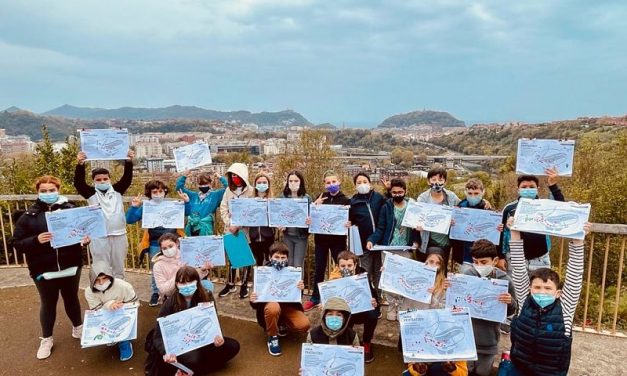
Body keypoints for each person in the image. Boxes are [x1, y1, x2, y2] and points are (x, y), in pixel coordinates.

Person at [12, 175, 89, 359]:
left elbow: (83, 232)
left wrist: (85, 240)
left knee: (72, 298)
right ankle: (46, 339)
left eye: (52, 190)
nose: (48, 193)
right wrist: (35, 240)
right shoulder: (28, 216)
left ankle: (78, 328)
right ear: (37, 192)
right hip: (43, 269)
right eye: (44, 191)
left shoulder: (71, 210)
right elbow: (16, 242)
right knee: (48, 303)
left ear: (58, 190)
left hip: (70, 265)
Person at [505, 218, 588, 376]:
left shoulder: (565, 308)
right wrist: (514, 232)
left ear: (558, 293)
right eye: (537, 287)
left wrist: (577, 239)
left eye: (548, 288)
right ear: (529, 289)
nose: (542, 291)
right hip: (518, 367)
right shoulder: (525, 301)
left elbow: (575, 275)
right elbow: (518, 268)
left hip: (550, 373)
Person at [147, 266, 240, 375]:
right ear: (177, 284)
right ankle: (193, 368)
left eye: (190, 281)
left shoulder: (207, 295)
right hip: (182, 344)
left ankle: (189, 370)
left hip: (202, 339)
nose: (187, 286)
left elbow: (213, 321)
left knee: (233, 346)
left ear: (197, 281)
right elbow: (158, 334)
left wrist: (217, 338)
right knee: (193, 358)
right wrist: (166, 351)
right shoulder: (170, 303)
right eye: (182, 283)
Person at [457, 239, 516, 376]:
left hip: (489, 339)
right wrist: (452, 288)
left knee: (483, 372)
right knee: (465, 371)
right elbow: (456, 304)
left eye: (483, 262)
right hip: (467, 338)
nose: (479, 266)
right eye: (475, 262)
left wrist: (509, 302)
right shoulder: (467, 276)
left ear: (495, 261)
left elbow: (512, 310)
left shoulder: (505, 280)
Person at [74, 150, 134, 279]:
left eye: (105, 179)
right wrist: (80, 164)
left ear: (110, 179)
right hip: (99, 236)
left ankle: (119, 292)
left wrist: (128, 162)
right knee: (101, 266)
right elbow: (79, 183)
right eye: (98, 180)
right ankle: (102, 292)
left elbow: (127, 178)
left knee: (118, 266)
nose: (102, 181)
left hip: (119, 234)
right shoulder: (90, 193)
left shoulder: (118, 190)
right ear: (94, 181)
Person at [366, 178, 420, 320]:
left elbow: (416, 227)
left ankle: (402, 307)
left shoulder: (412, 206)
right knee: (389, 279)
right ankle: (391, 306)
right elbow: (381, 228)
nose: (397, 194)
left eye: (400, 192)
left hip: (405, 248)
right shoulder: (386, 207)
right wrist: (372, 240)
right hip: (388, 247)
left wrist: (416, 239)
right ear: (391, 192)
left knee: (404, 278)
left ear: (405, 191)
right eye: (394, 192)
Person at [126, 180, 186, 306]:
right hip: (155, 243)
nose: (158, 194)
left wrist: (187, 202)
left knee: (178, 265)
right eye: (155, 192)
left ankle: (179, 289)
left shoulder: (173, 205)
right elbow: (130, 220)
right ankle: (156, 292)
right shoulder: (146, 207)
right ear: (150, 193)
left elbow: (188, 212)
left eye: (161, 191)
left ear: (165, 192)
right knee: (156, 269)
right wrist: (134, 207)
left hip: (173, 241)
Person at [249, 242, 310, 356]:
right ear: (269, 257)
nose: (280, 260)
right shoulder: (262, 272)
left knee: (304, 325)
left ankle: (281, 324)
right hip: (270, 307)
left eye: (283, 257)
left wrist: (300, 289)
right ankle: (272, 336)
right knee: (273, 307)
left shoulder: (292, 272)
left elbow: (296, 299)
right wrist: (252, 299)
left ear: (287, 258)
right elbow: (256, 303)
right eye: (276, 257)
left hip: (287, 306)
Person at [303, 170, 351, 311]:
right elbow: (309, 218)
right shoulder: (320, 198)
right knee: (319, 269)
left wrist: (349, 222)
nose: (331, 185)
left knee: (342, 268)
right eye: (328, 183)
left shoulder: (346, 200)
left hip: (338, 240)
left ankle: (342, 296)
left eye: (334, 182)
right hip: (321, 239)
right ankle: (315, 297)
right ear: (324, 184)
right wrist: (314, 205)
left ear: (339, 182)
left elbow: (351, 220)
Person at [499, 168, 564, 271]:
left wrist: (553, 185)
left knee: (539, 286)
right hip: (515, 258)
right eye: (524, 187)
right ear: (518, 189)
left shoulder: (544, 206)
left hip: (541, 259)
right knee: (516, 287)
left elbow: (560, 206)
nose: (528, 189)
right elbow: (501, 233)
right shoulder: (509, 208)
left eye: (531, 187)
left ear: (537, 188)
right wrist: (501, 257)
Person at [329, 251, 379, 362]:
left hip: (360, 310)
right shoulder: (334, 277)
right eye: (343, 266)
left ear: (355, 265)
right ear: (338, 266)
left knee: (373, 314)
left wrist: (374, 302)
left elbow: (372, 294)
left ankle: (366, 342)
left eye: (349, 265)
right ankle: (346, 340)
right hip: (345, 312)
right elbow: (329, 299)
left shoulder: (363, 274)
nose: (346, 268)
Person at [85, 260, 138, 361]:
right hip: (105, 314)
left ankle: (125, 342)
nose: (101, 283)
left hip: (124, 314)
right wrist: (109, 305)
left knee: (124, 323)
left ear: (110, 276)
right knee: (98, 321)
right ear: (92, 280)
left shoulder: (124, 286)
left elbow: (135, 304)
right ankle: (111, 336)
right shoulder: (89, 291)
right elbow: (96, 311)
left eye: (104, 278)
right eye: (97, 280)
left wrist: (123, 307)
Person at [219, 162, 255, 299]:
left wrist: (238, 224)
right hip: (230, 230)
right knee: (232, 258)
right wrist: (229, 223)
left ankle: (245, 284)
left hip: (245, 231)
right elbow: (223, 208)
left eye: (237, 175)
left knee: (245, 258)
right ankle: (230, 283)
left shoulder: (251, 191)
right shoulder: (228, 190)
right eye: (232, 175)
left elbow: (251, 211)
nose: (235, 177)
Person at [450, 178, 502, 266]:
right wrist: (451, 224)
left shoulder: (490, 212)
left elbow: (495, 236)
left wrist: (499, 229)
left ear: (483, 192)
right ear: (465, 192)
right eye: (470, 193)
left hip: (483, 258)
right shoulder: (459, 209)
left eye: (476, 193)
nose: (473, 196)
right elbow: (453, 235)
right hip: (464, 256)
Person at [416, 166, 460, 265]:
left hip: (446, 242)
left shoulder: (451, 197)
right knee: (426, 268)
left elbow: (463, 209)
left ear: (445, 182)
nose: (437, 182)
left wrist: (484, 202)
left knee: (441, 270)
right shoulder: (423, 198)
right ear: (428, 181)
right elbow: (417, 217)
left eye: (440, 180)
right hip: (428, 241)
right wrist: (418, 224)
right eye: (434, 179)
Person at [349, 171, 385, 288]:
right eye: (359, 182)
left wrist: (389, 190)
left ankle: (378, 300)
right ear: (355, 186)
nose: (362, 184)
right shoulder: (353, 202)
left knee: (379, 273)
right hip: (364, 245)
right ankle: (367, 300)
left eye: (365, 181)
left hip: (380, 243)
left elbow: (390, 207)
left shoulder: (378, 197)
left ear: (370, 183)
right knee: (365, 273)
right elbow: (350, 220)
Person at [152, 233, 211, 298]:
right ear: (161, 249)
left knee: (207, 285)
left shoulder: (187, 256)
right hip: (174, 295)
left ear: (177, 243)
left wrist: (202, 270)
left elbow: (195, 277)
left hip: (192, 289)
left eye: (170, 246)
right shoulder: (158, 265)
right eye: (164, 248)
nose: (168, 250)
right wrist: (179, 273)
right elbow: (163, 290)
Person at [175, 172, 228, 236]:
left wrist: (220, 177)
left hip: (206, 228)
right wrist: (184, 176)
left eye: (205, 183)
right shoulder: (193, 195)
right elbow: (179, 188)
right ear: (198, 185)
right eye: (201, 184)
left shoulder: (215, 195)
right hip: (191, 227)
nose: (203, 186)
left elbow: (228, 188)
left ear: (210, 184)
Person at [278, 170, 311, 267]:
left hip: (301, 236)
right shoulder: (282, 197)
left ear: (301, 182)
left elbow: (312, 215)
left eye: (296, 181)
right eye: (290, 181)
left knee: (298, 265)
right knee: (288, 263)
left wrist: (309, 221)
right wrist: (279, 224)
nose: (293, 183)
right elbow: (278, 215)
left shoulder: (306, 198)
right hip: (287, 235)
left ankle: (299, 282)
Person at [250, 173, 276, 266]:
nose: (262, 184)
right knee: (257, 263)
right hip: (254, 236)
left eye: (264, 182)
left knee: (268, 262)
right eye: (259, 182)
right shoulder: (250, 201)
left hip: (268, 236)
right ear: (255, 185)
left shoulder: (273, 201)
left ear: (268, 184)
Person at [401, 361, 468, 376]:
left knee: (436, 368)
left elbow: (464, 373)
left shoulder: (458, 347)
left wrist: (453, 369)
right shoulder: (418, 336)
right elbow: (410, 363)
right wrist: (416, 370)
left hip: (444, 373)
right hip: (424, 372)